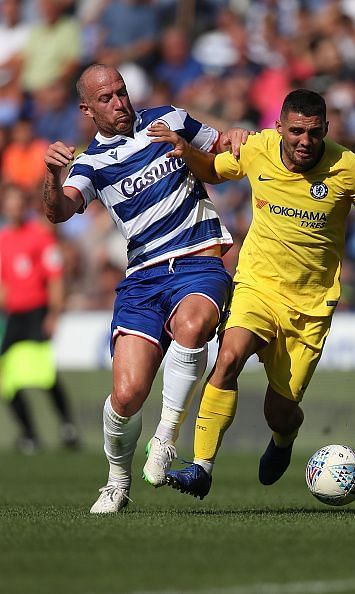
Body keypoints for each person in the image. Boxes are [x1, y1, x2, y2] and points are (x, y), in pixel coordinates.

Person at [147, 88, 355, 499]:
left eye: (313, 132)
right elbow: (214, 171)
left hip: (310, 305)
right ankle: (201, 467)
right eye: (295, 131)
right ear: (279, 128)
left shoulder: (347, 166)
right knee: (229, 357)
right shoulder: (258, 148)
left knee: (281, 411)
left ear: (325, 129)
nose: (304, 141)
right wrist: (186, 152)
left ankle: (284, 439)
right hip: (256, 286)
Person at [43, 64, 249, 513]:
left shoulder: (169, 120)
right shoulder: (90, 164)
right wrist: (51, 177)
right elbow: (60, 211)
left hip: (198, 261)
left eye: (121, 92)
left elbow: (220, 152)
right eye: (106, 99)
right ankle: (117, 481)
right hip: (142, 280)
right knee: (128, 394)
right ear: (86, 109)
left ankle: (166, 437)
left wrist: (234, 136)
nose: (119, 103)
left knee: (194, 325)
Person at [0, 183, 79, 454]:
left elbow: (55, 277)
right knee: (8, 377)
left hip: (38, 311)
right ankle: (29, 434)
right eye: (9, 203)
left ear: (24, 205)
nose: (14, 208)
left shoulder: (40, 236)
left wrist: (54, 314)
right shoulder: (3, 240)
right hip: (15, 315)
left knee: (44, 374)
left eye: (18, 202)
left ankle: (68, 427)